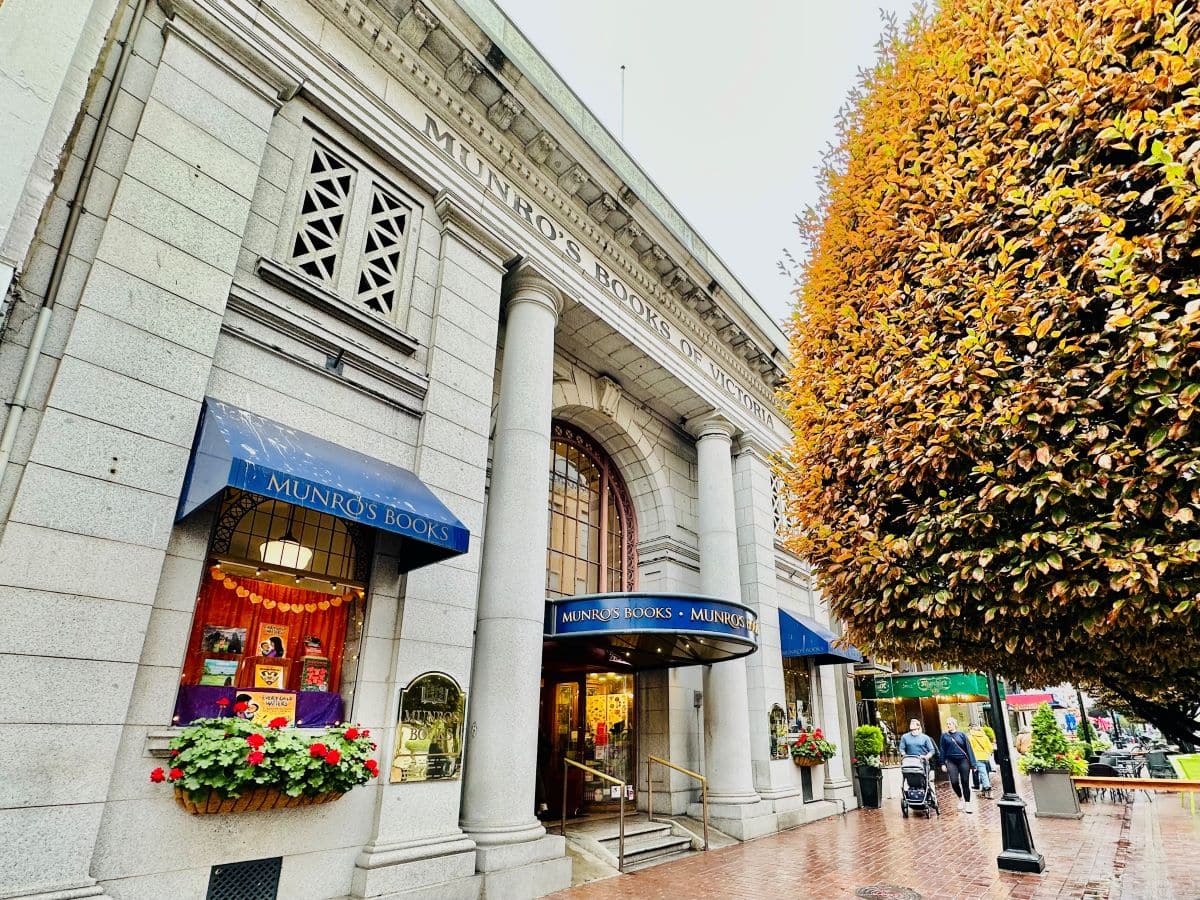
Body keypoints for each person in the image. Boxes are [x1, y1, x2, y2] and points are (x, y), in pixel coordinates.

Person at [940, 717, 978, 812]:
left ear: (954, 724)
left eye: (950, 723)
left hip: (963, 760)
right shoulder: (944, 736)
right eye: (947, 723)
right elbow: (942, 750)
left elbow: (969, 749)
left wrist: (973, 764)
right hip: (951, 761)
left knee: (965, 781)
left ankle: (968, 803)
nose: (948, 725)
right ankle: (960, 798)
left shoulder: (962, 735)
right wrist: (942, 763)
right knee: (954, 781)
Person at [967, 722, 995, 799]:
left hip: (977, 757)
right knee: (984, 773)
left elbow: (970, 749)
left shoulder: (970, 737)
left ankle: (987, 789)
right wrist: (987, 752)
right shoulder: (984, 736)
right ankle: (983, 790)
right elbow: (990, 747)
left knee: (983, 773)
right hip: (985, 757)